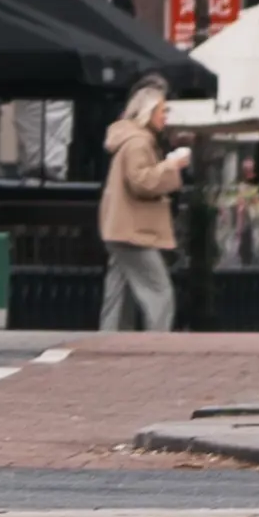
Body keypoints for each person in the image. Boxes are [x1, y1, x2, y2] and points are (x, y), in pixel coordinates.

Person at [98, 83, 184, 335]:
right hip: (133, 231)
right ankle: (158, 342)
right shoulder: (138, 143)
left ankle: (110, 340)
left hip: (119, 228)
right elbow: (141, 182)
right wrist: (171, 166)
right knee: (160, 291)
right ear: (148, 112)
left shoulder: (129, 140)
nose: (165, 117)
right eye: (162, 111)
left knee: (118, 292)